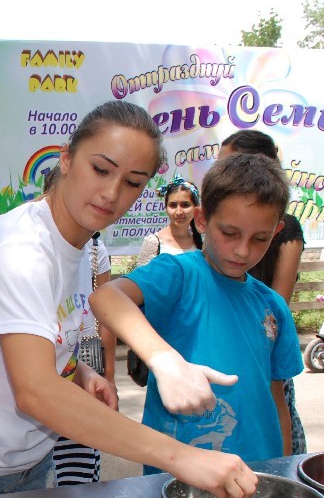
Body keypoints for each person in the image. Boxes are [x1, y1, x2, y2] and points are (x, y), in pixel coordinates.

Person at [0, 100, 259, 498]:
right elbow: (35, 392)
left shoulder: (81, 246)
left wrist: (80, 374)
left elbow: (44, 346)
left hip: (28, 461)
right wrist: (182, 457)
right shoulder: (20, 251)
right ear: (67, 160)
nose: (112, 194)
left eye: (132, 182)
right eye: (101, 169)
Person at [91, 152, 304, 474]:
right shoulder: (178, 274)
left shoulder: (273, 307)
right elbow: (106, 296)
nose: (243, 250)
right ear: (202, 220)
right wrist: (164, 359)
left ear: (275, 232)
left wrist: (284, 471)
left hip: (260, 474)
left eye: (259, 238)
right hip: (180, 474)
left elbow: (278, 401)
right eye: (230, 233)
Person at [219, 130, 307, 454]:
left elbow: (278, 303)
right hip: (227, 338)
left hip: (263, 344)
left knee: (274, 416)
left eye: (226, 161)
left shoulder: (288, 230)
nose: (242, 250)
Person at [41, 165, 117, 486]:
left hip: (81, 361)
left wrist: (104, 373)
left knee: (78, 468)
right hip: (47, 376)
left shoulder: (95, 250)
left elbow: (108, 310)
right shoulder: (33, 254)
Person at [136, 174, 202, 267]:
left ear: (196, 208)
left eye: (185, 205)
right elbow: (141, 280)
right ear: (166, 208)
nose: (179, 212)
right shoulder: (154, 243)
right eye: (173, 205)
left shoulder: (202, 243)